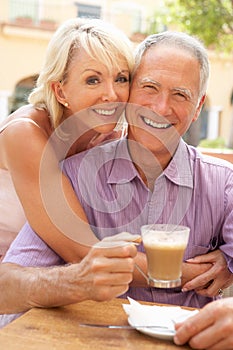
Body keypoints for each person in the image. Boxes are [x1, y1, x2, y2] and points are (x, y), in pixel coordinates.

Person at [1, 31, 233, 326]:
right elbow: (14, 281)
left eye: (180, 94)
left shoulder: (224, 184)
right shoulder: (65, 168)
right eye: (149, 87)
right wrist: (188, 273)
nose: (161, 108)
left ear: (198, 107)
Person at [0, 17, 134, 261]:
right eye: (93, 80)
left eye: (121, 78)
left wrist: (223, 255)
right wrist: (189, 273)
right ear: (60, 91)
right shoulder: (24, 133)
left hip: (47, 274)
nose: (112, 94)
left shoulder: (109, 137)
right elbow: (80, 250)